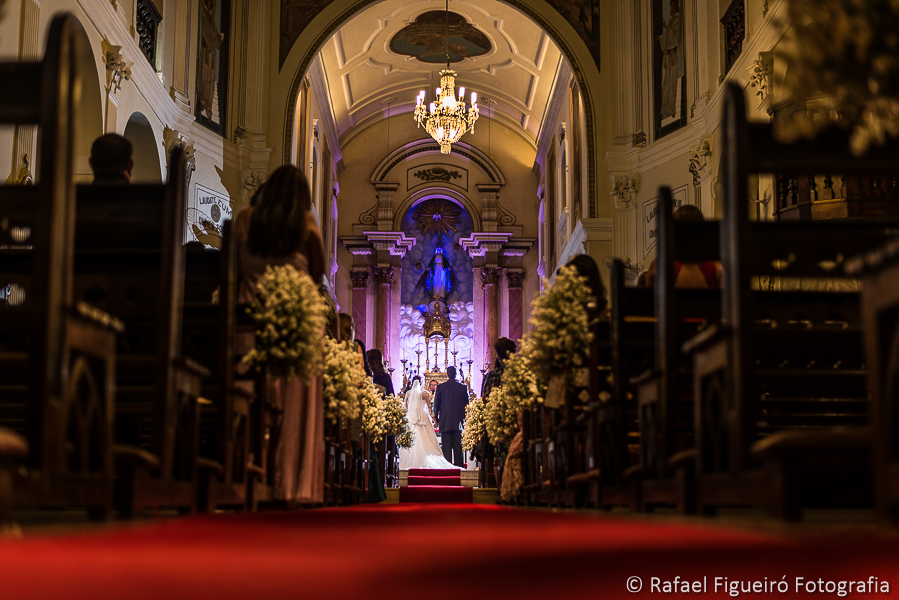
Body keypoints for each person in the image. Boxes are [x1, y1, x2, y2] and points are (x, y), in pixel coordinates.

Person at [235, 164, 325, 506]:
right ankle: (290, 483)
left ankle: (248, 469)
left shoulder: (244, 219)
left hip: (249, 320)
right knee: (295, 403)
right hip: (295, 322)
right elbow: (316, 278)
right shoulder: (305, 224)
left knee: (254, 396)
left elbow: (232, 268)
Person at [644, 204, 722, 288]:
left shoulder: (658, 266)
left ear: (674, 231)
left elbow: (649, 299)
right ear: (701, 230)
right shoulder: (717, 268)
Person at [398, 376, 457, 470]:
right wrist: (435, 421)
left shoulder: (408, 394)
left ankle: (411, 462)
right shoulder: (425, 394)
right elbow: (430, 410)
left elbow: (405, 408)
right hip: (423, 419)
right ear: (421, 383)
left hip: (411, 419)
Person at [433, 365, 470, 468]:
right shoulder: (463, 387)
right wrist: (466, 420)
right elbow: (467, 406)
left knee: (446, 450)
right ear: (456, 374)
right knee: (458, 449)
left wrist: (437, 420)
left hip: (445, 422)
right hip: (459, 423)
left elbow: (436, 405)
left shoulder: (440, 387)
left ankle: (447, 472)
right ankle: (459, 471)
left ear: (447, 375)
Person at [658, 0, 684, 121]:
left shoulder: (677, 19)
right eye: (671, 7)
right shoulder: (670, 20)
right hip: (667, 55)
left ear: (677, 7)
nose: (672, 8)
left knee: (672, 81)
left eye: (674, 6)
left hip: (673, 54)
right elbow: (667, 36)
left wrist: (665, 28)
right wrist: (661, 38)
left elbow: (674, 34)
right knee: (665, 82)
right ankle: (664, 110)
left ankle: (672, 109)